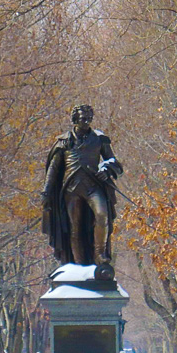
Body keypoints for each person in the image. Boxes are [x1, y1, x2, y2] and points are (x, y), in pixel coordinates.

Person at [41, 105, 123, 271]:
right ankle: (78, 265)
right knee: (74, 227)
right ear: (75, 120)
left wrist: (106, 170)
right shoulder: (64, 141)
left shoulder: (99, 139)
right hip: (71, 189)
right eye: (83, 118)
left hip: (93, 187)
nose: (86, 121)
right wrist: (46, 191)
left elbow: (115, 163)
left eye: (89, 118)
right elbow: (53, 169)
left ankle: (100, 254)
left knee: (102, 215)